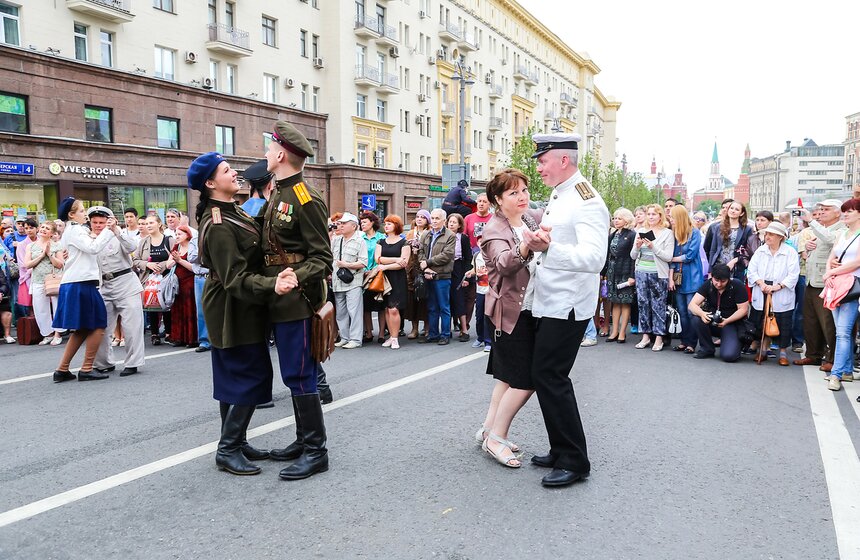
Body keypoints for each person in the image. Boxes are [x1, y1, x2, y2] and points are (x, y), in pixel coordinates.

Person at [188, 151, 296, 476]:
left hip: (240, 303)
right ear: (210, 183)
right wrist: (273, 283)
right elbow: (235, 278)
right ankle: (228, 448)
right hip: (232, 306)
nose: (233, 172)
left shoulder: (233, 210)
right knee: (252, 375)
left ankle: (236, 440)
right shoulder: (219, 223)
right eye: (225, 170)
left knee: (232, 376)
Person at [526, 132, 609, 488]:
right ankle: (560, 449)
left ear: (563, 160)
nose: (539, 168)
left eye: (543, 161)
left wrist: (547, 249)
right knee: (544, 375)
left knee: (551, 376)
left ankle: (575, 460)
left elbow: (595, 258)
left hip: (569, 304)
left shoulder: (587, 200)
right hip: (551, 298)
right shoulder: (561, 194)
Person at [260, 121, 333, 481]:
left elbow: (322, 258)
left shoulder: (305, 196)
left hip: (298, 300)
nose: (265, 154)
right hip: (281, 298)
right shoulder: (279, 191)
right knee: (292, 375)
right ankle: (304, 441)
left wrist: (294, 277)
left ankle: (316, 451)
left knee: (301, 375)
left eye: (268, 148)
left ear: (280, 154)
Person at [478, 168, 538, 468]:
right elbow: (503, 264)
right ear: (498, 200)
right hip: (511, 313)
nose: (522, 197)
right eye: (513, 193)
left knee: (505, 378)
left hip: (530, 308)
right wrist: (526, 246)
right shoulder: (493, 230)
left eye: (524, 190)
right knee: (527, 379)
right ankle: (496, 438)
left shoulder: (528, 219)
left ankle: (488, 429)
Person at [51, 197, 123, 383]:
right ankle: (86, 368)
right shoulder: (75, 230)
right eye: (82, 211)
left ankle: (62, 369)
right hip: (81, 283)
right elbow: (93, 248)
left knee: (82, 329)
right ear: (71, 215)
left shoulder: (73, 230)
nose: (86, 213)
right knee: (99, 325)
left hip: (75, 282)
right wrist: (108, 230)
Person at [85, 206, 145, 377]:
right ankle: (104, 362)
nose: (98, 225)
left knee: (132, 326)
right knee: (101, 327)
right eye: (95, 222)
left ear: (110, 221)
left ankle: (133, 362)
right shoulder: (88, 239)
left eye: (102, 222)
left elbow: (132, 246)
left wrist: (116, 231)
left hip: (125, 282)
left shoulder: (119, 234)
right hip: (102, 285)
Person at [794, 200, 846, 372]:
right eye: (820, 209)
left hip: (827, 283)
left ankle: (831, 358)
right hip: (811, 280)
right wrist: (809, 248)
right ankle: (813, 354)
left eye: (826, 209)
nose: (822, 212)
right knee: (810, 321)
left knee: (828, 323)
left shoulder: (841, 229)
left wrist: (812, 221)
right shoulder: (822, 229)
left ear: (838, 213)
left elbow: (832, 241)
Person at [746, 222, 799, 366]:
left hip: (781, 290)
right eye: (767, 234)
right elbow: (751, 270)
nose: (767, 237)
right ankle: (762, 350)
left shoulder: (790, 252)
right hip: (762, 288)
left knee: (783, 322)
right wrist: (761, 283)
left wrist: (778, 286)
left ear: (780, 237)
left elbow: (793, 274)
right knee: (762, 320)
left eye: (771, 234)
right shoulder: (761, 251)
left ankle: (782, 353)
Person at [821, 198, 860, 391]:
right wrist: (829, 270)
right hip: (835, 286)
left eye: (849, 211)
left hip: (852, 288)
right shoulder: (842, 234)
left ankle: (836, 375)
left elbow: (857, 263)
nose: (845, 214)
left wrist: (832, 272)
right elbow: (831, 258)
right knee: (841, 332)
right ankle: (846, 370)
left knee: (843, 333)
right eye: (843, 211)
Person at [630, 204, 674, 351]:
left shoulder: (667, 233)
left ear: (660, 216)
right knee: (643, 304)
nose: (650, 217)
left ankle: (659, 337)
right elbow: (633, 255)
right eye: (648, 214)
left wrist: (652, 247)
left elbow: (668, 257)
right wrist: (637, 246)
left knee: (658, 305)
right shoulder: (641, 231)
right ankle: (645, 336)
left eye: (654, 214)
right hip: (641, 271)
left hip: (658, 273)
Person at [688, 263, 750, 362]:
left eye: (723, 281)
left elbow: (743, 309)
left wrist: (727, 321)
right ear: (712, 277)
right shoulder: (708, 284)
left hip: (731, 323)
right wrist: (702, 314)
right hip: (713, 321)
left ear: (729, 279)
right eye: (716, 280)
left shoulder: (737, 285)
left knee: (729, 356)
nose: (719, 284)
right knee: (696, 318)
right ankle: (707, 348)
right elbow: (692, 305)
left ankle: (735, 344)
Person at [133, 214, 176, 345]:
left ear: (159, 224)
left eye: (151, 223)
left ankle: (169, 332)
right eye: (147, 224)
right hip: (149, 278)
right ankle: (154, 334)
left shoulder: (169, 240)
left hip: (166, 278)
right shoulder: (143, 242)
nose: (148, 226)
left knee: (167, 304)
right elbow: (135, 260)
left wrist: (162, 266)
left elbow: (175, 257)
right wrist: (147, 264)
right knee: (151, 305)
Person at [23, 221, 65, 345]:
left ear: (52, 233)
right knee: (40, 308)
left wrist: (49, 255)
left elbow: (60, 264)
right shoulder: (31, 246)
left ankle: (58, 333)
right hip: (37, 280)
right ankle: (47, 333)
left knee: (58, 306)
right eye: (42, 227)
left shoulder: (56, 245)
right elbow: (27, 264)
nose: (43, 230)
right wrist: (41, 256)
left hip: (53, 279)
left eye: (47, 228)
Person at [668, 205, 703, 353]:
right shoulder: (673, 234)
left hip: (692, 276)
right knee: (681, 311)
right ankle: (684, 341)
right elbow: (670, 256)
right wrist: (670, 278)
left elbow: (690, 255)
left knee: (691, 311)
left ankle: (692, 343)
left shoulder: (694, 233)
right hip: (677, 277)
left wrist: (672, 258)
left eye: (672, 217)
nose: (671, 220)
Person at [418, 208, 456, 345]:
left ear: (444, 221)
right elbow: (420, 251)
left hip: (442, 276)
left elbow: (447, 255)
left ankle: (445, 335)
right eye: (432, 218)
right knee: (432, 307)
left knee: (444, 307)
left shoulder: (450, 235)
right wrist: (426, 268)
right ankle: (433, 334)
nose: (434, 221)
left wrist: (428, 263)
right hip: (428, 275)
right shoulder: (426, 234)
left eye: (437, 218)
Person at [372, 214, 409, 349]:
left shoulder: (404, 242)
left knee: (394, 309)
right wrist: (395, 259)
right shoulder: (381, 241)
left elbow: (403, 263)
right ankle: (391, 337)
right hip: (384, 278)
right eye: (385, 223)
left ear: (396, 226)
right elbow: (378, 258)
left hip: (397, 278)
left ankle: (395, 338)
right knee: (387, 308)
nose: (386, 226)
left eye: (389, 223)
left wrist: (387, 265)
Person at [331, 212, 367, 349]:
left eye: (344, 223)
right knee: (341, 312)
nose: (341, 225)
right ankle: (344, 337)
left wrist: (347, 265)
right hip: (337, 280)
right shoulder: (337, 240)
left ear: (353, 226)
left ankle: (356, 339)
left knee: (354, 311)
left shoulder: (360, 241)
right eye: (340, 223)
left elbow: (363, 262)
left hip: (353, 281)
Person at [604, 208, 637, 343]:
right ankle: (614, 331)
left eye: (619, 218)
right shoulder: (613, 234)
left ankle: (623, 332)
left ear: (626, 220)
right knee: (615, 302)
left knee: (625, 302)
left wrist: (632, 275)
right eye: (615, 218)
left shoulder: (631, 234)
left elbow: (634, 257)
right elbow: (608, 254)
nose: (616, 220)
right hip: (612, 271)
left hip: (625, 271)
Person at [706, 201, 753, 282]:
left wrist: (735, 260)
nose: (733, 211)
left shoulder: (747, 229)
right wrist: (710, 270)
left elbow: (748, 251)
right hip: (718, 265)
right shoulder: (718, 227)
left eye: (737, 209)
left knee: (734, 291)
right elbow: (713, 250)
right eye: (731, 208)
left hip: (736, 267)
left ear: (741, 213)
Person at [167, 225, 198, 347]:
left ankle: (191, 338)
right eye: (176, 234)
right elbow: (168, 264)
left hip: (189, 281)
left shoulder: (192, 246)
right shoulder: (176, 246)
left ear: (187, 235)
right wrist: (174, 260)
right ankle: (179, 337)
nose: (177, 236)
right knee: (177, 309)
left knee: (189, 309)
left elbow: (194, 268)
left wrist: (180, 260)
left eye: (180, 234)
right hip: (176, 282)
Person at [360, 210, 385, 343]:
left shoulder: (381, 237)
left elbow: (383, 255)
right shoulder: (360, 237)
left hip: (378, 274)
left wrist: (374, 270)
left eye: (364, 222)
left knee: (381, 304)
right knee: (366, 306)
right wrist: (364, 269)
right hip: (363, 274)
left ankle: (381, 333)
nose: (362, 224)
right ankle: (369, 333)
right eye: (361, 222)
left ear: (372, 223)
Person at [446, 212, 473, 342]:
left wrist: (466, 277)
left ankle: (464, 329)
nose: (451, 224)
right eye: (450, 222)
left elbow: (468, 258)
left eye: (454, 222)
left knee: (459, 298)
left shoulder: (462, 238)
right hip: (445, 268)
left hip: (458, 268)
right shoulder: (442, 236)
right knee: (446, 299)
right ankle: (447, 329)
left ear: (459, 225)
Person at [405, 210, 430, 339]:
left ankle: (427, 327)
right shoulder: (410, 233)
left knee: (424, 298)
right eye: (417, 217)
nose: (419, 219)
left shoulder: (429, 233)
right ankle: (414, 328)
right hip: (411, 268)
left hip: (424, 266)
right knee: (412, 299)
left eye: (423, 217)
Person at [15, 217, 38, 318]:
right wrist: (32, 269)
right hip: (27, 276)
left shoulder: (42, 241)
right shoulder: (21, 245)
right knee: (31, 306)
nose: (29, 230)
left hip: (43, 275)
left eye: (31, 228)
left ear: (37, 228)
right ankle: (33, 330)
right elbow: (22, 264)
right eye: (26, 228)